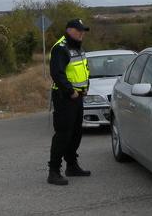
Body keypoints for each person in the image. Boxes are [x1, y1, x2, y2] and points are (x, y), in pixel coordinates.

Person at [47, 19, 91, 186]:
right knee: (63, 135)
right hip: (65, 97)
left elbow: (84, 69)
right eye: (79, 30)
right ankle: (53, 171)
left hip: (78, 97)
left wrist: (86, 87)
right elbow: (57, 74)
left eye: (83, 31)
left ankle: (71, 166)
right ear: (69, 30)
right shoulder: (61, 48)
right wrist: (70, 91)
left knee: (76, 133)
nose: (82, 33)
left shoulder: (77, 47)